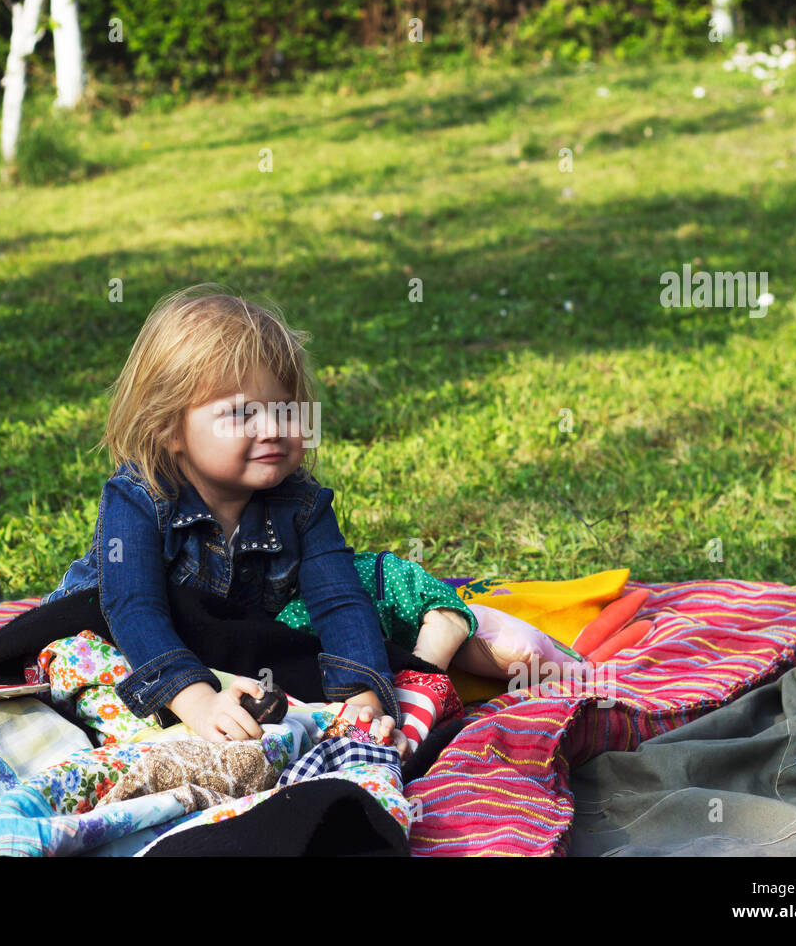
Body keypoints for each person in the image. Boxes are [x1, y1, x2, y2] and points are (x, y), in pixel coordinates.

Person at [40, 284, 480, 760]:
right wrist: (199, 703)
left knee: (348, 610)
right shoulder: (139, 496)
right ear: (169, 429)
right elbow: (133, 608)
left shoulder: (302, 503)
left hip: (228, 648)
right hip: (126, 642)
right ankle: (167, 746)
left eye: (283, 409)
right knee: (80, 665)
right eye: (241, 413)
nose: (270, 429)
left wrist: (362, 698)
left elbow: (339, 602)